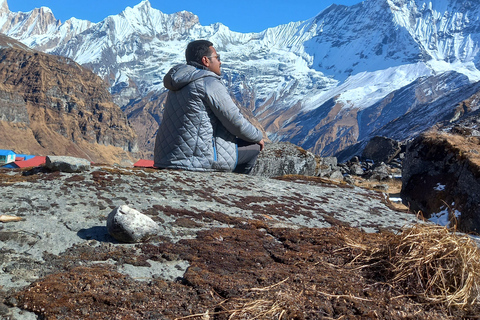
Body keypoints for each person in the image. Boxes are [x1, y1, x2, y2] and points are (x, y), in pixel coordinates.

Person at [153, 40, 265, 174]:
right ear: (206, 61)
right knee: (254, 148)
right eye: (217, 58)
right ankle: (237, 188)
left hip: (166, 157)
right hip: (195, 159)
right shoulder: (209, 82)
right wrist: (257, 136)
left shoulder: (178, 82)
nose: (220, 62)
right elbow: (235, 121)